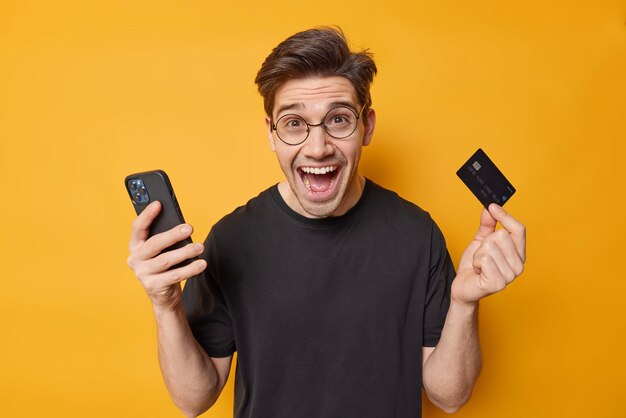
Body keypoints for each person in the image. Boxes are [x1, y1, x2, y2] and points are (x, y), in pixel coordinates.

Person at [127, 27, 526, 418]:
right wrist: (166, 306)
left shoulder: (418, 235)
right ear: (271, 133)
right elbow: (193, 400)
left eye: (338, 120)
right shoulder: (231, 239)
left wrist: (464, 303)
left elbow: (450, 398)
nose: (317, 149)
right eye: (294, 124)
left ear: (367, 126)